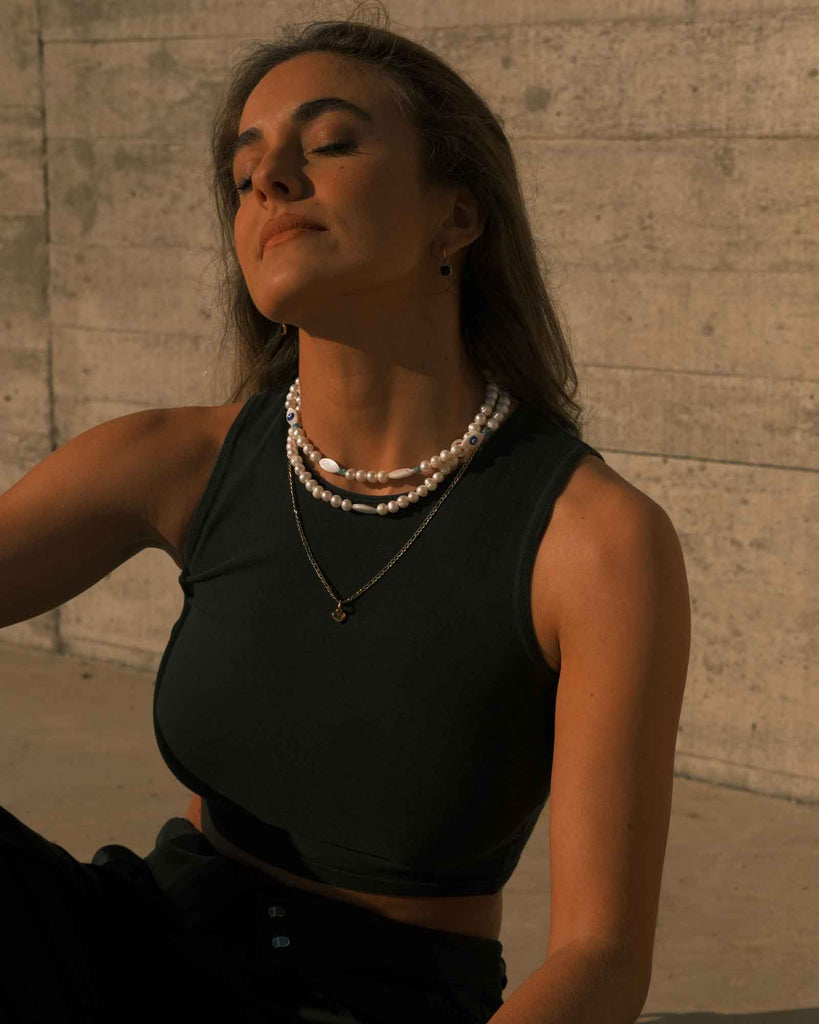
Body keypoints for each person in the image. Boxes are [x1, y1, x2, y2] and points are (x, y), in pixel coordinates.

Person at [0, 4, 691, 1023]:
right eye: (244, 172)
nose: (270, 182)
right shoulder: (179, 460)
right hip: (140, 952)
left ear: (457, 215)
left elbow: (601, 959)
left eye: (327, 144)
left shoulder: (591, 541)